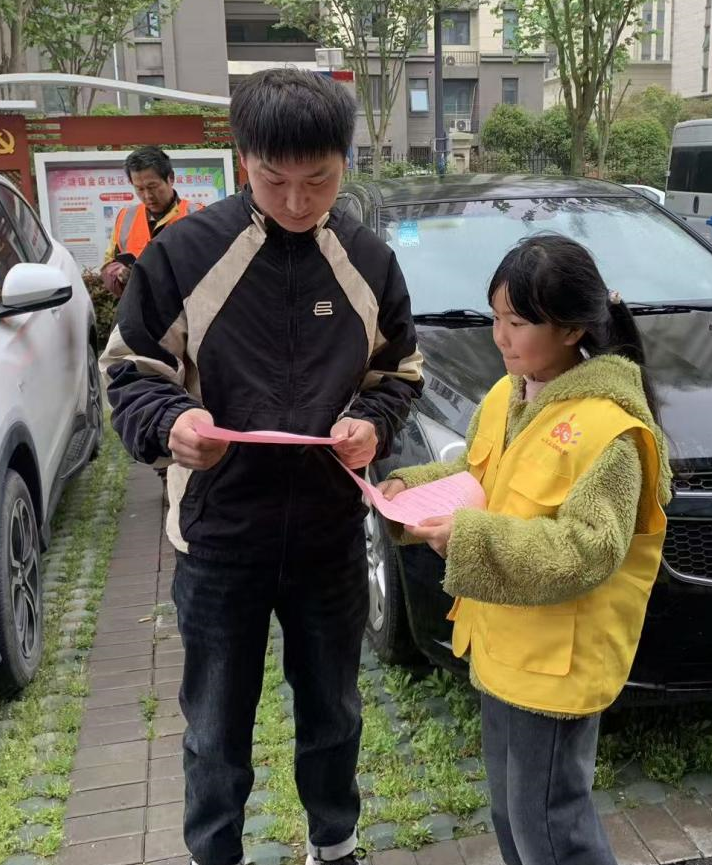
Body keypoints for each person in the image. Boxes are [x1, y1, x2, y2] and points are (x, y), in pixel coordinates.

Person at [100, 68, 423, 865]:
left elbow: (398, 372)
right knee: (215, 727)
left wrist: (371, 424)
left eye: (320, 180)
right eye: (275, 180)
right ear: (242, 157)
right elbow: (130, 370)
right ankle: (216, 853)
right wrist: (173, 424)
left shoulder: (367, 259)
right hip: (220, 536)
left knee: (334, 712)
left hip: (328, 535)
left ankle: (335, 844)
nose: (298, 201)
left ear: (345, 162)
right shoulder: (184, 254)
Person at [380, 234, 672, 865]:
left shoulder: (612, 430)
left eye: (517, 323)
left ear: (570, 329)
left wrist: (469, 537)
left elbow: (587, 550)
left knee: (551, 828)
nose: (500, 338)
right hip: (503, 645)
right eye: (495, 318)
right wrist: (409, 489)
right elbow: (480, 476)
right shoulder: (507, 394)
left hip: (556, 666)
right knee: (513, 815)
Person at [100, 146, 203, 298]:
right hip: (139, 307)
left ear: (170, 178)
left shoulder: (198, 215)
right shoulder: (125, 217)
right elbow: (108, 264)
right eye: (139, 189)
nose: (147, 196)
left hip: (185, 306)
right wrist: (119, 273)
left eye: (152, 187)